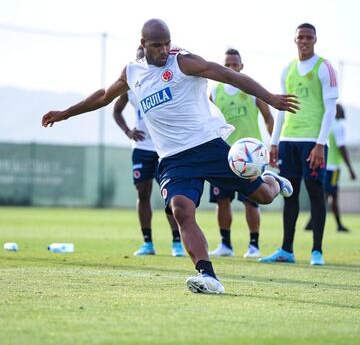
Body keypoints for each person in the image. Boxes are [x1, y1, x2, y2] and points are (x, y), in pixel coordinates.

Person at [42, 19, 299, 294]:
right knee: (181, 210)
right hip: (174, 159)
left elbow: (230, 76)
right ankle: (208, 276)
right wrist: (65, 113)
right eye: (157, 45)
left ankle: (271, 179)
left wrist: (269, 97)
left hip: (207, 146)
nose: (164, 50)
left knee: (263, 196)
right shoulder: (132, 72)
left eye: (167, 43)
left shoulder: (182, 61)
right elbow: (104, 96)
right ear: (143, 44)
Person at [259, 23, 338, 266]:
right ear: (294, 40)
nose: (304, 41)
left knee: (315, 193)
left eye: (309, 37)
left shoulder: (324, 67)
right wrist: (274, 142)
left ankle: (317, 251)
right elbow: (281, 110)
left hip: (312, 143)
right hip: (288, 141)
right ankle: (286, 250)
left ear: (315, 39)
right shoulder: (287, 69)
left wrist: (319, 144)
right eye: (300, 37)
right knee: (288, 194)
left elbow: (330, 108)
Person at [113, 46, 185, 257]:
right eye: (139, 60)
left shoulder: (165, 80)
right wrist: (128, 131)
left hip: (165, 149)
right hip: (142, 148)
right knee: (142, 193)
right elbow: (116, 110)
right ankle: (147, 243)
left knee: (172, 196)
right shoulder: (130, 86)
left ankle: (177, 242)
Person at [208, 49, 274, 259]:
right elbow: (207, 121)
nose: (231, 68)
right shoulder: (215, 92)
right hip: (223, 156)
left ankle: (254, 246)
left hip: (251, 159)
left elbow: (268, 118)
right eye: (227, 65)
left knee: (251, 200)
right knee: (222, 201)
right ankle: (225, 244)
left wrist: (272, 145)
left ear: (241, 67)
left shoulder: (251, 89)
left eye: (235, 65)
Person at [304, 103, 356, 232]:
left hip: (324, 165)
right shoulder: (339, 127)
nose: (342, 110)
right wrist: (350, 168)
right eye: (339, 109)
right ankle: (319, 223)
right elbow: (342, 148)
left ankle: (313, 222)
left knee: (326, 195)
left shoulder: (327, 125)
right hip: (332, 168)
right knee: (329, 196)